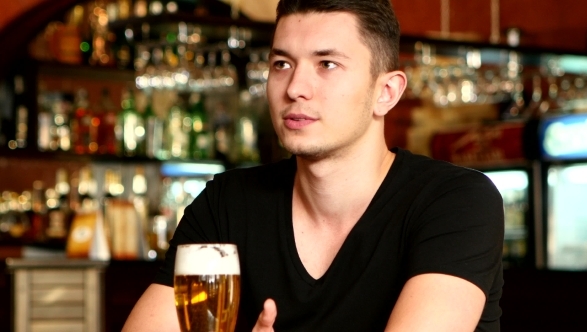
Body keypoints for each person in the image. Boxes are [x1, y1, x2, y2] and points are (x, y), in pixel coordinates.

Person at [123, 0, 504, 331]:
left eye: (327, 64)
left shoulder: (456, 202)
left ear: (386, 92)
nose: (294, 88)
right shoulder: (226, 202)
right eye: (282, 63)